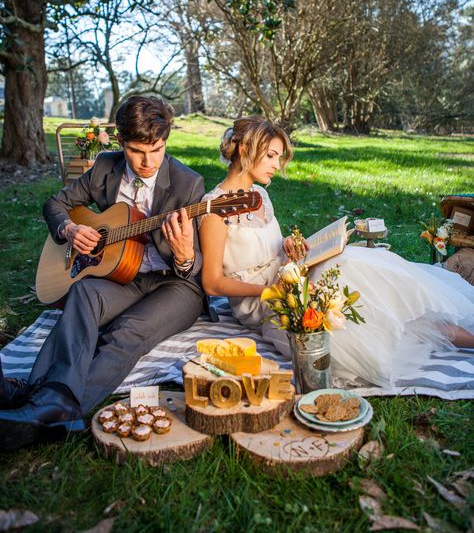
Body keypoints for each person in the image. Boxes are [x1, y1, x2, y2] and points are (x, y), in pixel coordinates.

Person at [198, 116, 474, 388]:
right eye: (270, 156)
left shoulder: (260, 195)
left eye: (278, 157)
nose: (276, 165)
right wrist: (274, 292)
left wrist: (286, 244)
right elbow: (212, 283)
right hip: (265, 300)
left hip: (292, 272)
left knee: (356, 264)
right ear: (245, 150)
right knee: (338, 305)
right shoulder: (213, 210)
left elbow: (262, 241)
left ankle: (456, 332)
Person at [0, 95, 206, 450]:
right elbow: (55, 204)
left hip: (175, 284)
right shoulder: (105, 167)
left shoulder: (188, 184)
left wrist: (186, 256)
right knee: (82, 294)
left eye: (156, 150)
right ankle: (48, 398)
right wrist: (69, 229)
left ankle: (49, 408)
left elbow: (194, 265)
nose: (147, 161)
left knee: (126, 332)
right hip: (122, 274)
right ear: (121, 142)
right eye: (137, 150)